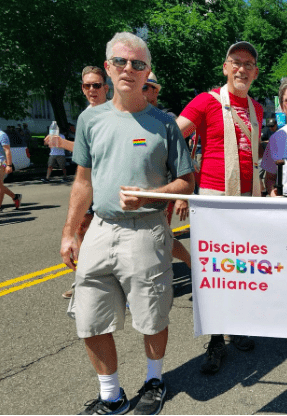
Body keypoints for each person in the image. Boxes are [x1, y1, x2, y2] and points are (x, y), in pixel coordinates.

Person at [60, 32, 194, 415]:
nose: (129, 70)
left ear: (147, 71)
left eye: (138, 64)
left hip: (146, 230)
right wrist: (70, 232)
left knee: (152, 316)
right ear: (108, 67)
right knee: (89, 318)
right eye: (121, 62)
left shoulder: (164, 123)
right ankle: (111, 396)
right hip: (100, 229)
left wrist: (150, 195)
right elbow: (83, 181)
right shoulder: (90, 119)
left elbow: (186, 181)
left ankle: (155, 380)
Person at [175, 41, 263, 374]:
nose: (242, 68)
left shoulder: (256, 109)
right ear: (225, 67)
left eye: (249, 64)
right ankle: (215, 340)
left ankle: (236, 325)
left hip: (247, 200)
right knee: (216, 273)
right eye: (236, 62)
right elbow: (173, 138)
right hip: (213, 198)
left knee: (241, 268)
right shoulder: (205, 101)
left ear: (255, 72)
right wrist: (183, 182)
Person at [45, 66, 110, 299]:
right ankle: (84, 279)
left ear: (106, 88)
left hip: (107, 183)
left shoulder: (112, 112)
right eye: (86, 85)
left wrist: (62, 144)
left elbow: (93, 152)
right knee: (83, 228)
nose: (91, 89)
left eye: (96, 85)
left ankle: (111, 283)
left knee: (107, 233)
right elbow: (86, 155)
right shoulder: (86, 114)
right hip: (89, 181)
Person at [141, 71, 191, 268]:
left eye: (146, 87)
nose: (141, 91)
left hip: (164, 192)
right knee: (147, 238)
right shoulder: (133, 119)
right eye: (139, 87)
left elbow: (180, 159)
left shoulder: (167, 120)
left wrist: (180, 196)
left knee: (158, 237)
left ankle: (188, 262)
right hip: (139, 189)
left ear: (155, 92)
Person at [0, 129, 22, 212]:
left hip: (1, 162)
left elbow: (7, 150)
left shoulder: (2, 135)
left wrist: (9, 165)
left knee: (0, 185)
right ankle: (15, 197)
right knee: (0, 185)